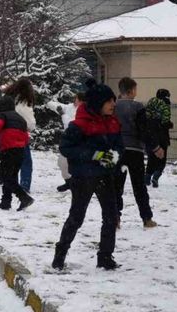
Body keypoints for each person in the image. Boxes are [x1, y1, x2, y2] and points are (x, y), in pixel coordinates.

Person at [53, 80, 123, 271]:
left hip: (105, 175)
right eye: (109, 101)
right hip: (83, 177)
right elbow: (66, 148)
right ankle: (60, 254)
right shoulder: (79, 125)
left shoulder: (113, 123)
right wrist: (93, 155)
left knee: (111, 216)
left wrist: (115, 156)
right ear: (98, 102)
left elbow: (119, 146)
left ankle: (105, 256)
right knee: (77, 216)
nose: (112, 105)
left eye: (113, 101)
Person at [114, 77, 157, 228]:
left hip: (117, 150)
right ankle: (146, 218)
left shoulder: (113, 106)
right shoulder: (138, 107)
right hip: (135, 151)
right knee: (139, 186)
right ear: (131, 90)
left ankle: (115, 218)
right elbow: (143, 129)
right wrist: (154, 147)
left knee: (116, 186)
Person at [0, 96, 34, 211]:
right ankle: (6, 202)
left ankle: (24, 197)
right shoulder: (20, 119)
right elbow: (26, 136)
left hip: (8, 149)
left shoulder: (3, 116)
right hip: (20, 149)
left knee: (6, 176)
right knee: (12, 176)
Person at [46, 92, 84, 192]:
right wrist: (49, 103)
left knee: (75, 164)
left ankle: (77, 183)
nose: (75, 100)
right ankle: (69, 182)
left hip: (78, 141)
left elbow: (70, 124)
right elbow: (59, 106)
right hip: (68, 141)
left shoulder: (84, 111)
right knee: (62, 163)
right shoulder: (70, 107)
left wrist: (63, 115)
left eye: (77, 99)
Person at [5, 78, 36, 192]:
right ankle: (24, 185)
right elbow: (30, 123)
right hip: (20, 134)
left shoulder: (10, 99)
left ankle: (10, 183)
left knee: (11, 161)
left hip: (7, 133)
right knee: (26, 161)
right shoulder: (24, 103)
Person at [145, 89, 172, 187]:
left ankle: (147, 178)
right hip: (162, 136)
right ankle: (156, 177)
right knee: (162, 159)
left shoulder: (151, 104)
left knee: (151, 158)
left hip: (150, 136)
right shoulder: (165, 105)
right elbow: (165, 122)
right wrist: (169, 124)